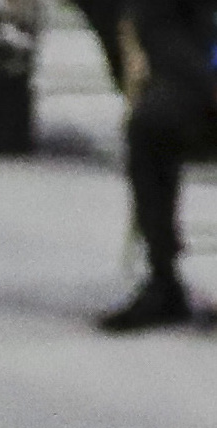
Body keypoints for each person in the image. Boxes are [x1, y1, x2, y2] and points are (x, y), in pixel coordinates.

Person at [98, 0, 217, 331]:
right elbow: (159, 28)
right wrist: (208, 87)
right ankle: (163, 279)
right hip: (203, 89)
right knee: (150, 125)